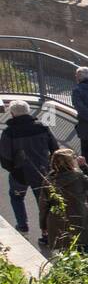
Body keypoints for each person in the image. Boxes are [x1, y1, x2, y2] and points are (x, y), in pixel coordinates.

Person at [0, 100, 59, 241]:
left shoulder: (9, 132)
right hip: (43, 172)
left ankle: (22, 226)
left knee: (17, 197)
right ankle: (47, 233)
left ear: (12, 113)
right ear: (28, 111)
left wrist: (13, 170)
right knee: (44, 203)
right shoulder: (42, 127)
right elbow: (55, 149)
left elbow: (5, 157)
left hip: (20, 174)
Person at [43, 148, 88, 253]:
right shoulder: (78, 176)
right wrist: (84, 166)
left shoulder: (49, 181)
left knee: (66, 248)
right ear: (71, 162)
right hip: (80, 220)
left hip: (60, 222)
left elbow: (44, 205)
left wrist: (43, 225)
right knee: (83, 249)